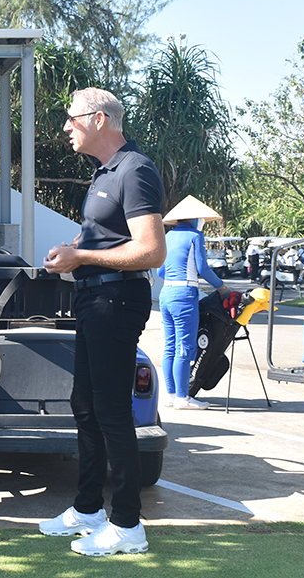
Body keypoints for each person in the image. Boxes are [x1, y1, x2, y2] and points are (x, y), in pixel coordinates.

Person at [41, 88, 165, 556]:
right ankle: (89, 508)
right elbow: (111, 237)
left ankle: (129, 525)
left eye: (71, 119)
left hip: (116, 302)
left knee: (112, 411)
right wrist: (74, 250)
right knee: (85, 405)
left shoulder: (135, 169)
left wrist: (82, 256)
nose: (66, 127)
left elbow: (151, 250)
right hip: (94, 301)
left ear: (97, 119)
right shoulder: (103, 173)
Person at [158, 196, 231, 410]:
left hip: (166, 294)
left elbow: (161, 270)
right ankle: (183, 398)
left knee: (170, 346)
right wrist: (222, 288)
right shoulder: (195, 236)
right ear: (194, 219)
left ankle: (171, 395)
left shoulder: (168, 236)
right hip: (184, 294)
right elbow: (203, 268)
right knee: (185, 346)